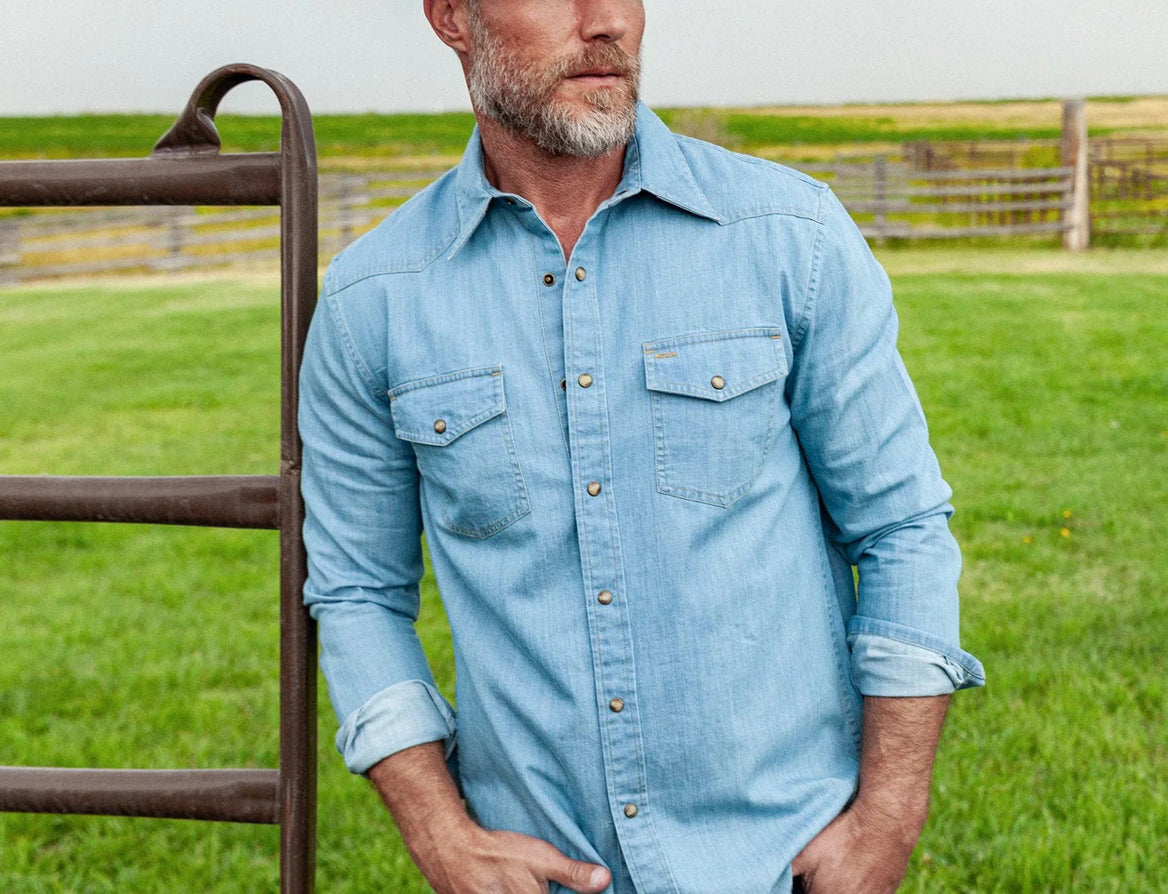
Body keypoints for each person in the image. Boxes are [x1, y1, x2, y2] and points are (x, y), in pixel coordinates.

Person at [298, 1, 985, 891]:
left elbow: (902, 530)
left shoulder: (792, 240)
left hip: (781, 867)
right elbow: (357, 592)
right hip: (537, 873)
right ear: (450, 16)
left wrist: (887, 820)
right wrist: (442, 835)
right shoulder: (373, 302)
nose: (609, 21)